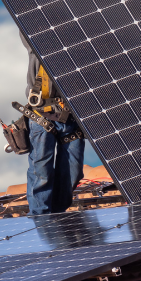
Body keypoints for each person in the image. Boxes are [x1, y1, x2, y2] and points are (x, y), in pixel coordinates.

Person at [20, 31, 85, 214]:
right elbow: (28, 28)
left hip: (71, 118)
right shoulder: (38, 43)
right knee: (42, 174)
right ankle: (41, 220)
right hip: (42, 116)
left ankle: (57, 216)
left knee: (74, 173)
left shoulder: (78, 47)